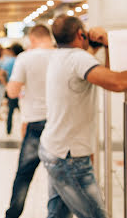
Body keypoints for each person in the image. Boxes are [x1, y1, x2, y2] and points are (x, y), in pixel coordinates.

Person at [39, 16, 127, 218]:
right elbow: (117, 82)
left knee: (57, 214)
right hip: (69, 159)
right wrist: (108, 40)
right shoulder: (78, 58)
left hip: (54, 149)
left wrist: (106, 43)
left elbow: (104, 70)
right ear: (81, 34)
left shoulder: (60, 56)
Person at [4, 24, 55, 218]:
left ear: (32, 39)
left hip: (35, 123)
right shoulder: (62, 56)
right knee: (59, 177)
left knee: (24, 175)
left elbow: (12, 91)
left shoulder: (26, 58)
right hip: (59, 123)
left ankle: (12, 215)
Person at [0, 43, 24, 134]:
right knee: (24, 112)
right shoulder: (23, 60)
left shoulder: (8, 61)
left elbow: (0, 75)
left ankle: (8, 130)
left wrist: (6, 85)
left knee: (10, 111)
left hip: (11, 89)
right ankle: (24, 130)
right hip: (23, 91)